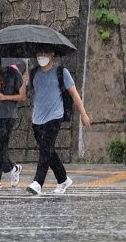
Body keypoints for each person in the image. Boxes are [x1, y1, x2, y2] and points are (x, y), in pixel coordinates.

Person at [26, 50, 91, 195]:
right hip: (37, 119)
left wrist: (83, 114)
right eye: (38, 53)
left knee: (45, 149)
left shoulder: (61, 72)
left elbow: (74, 93)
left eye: (44, 53)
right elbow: (23, 94)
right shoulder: (34, 73)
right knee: (48, 151)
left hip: (55, 116)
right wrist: (23, 80)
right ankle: (63, 179)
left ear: (52, 54)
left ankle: (38, 182)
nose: (40, 56)